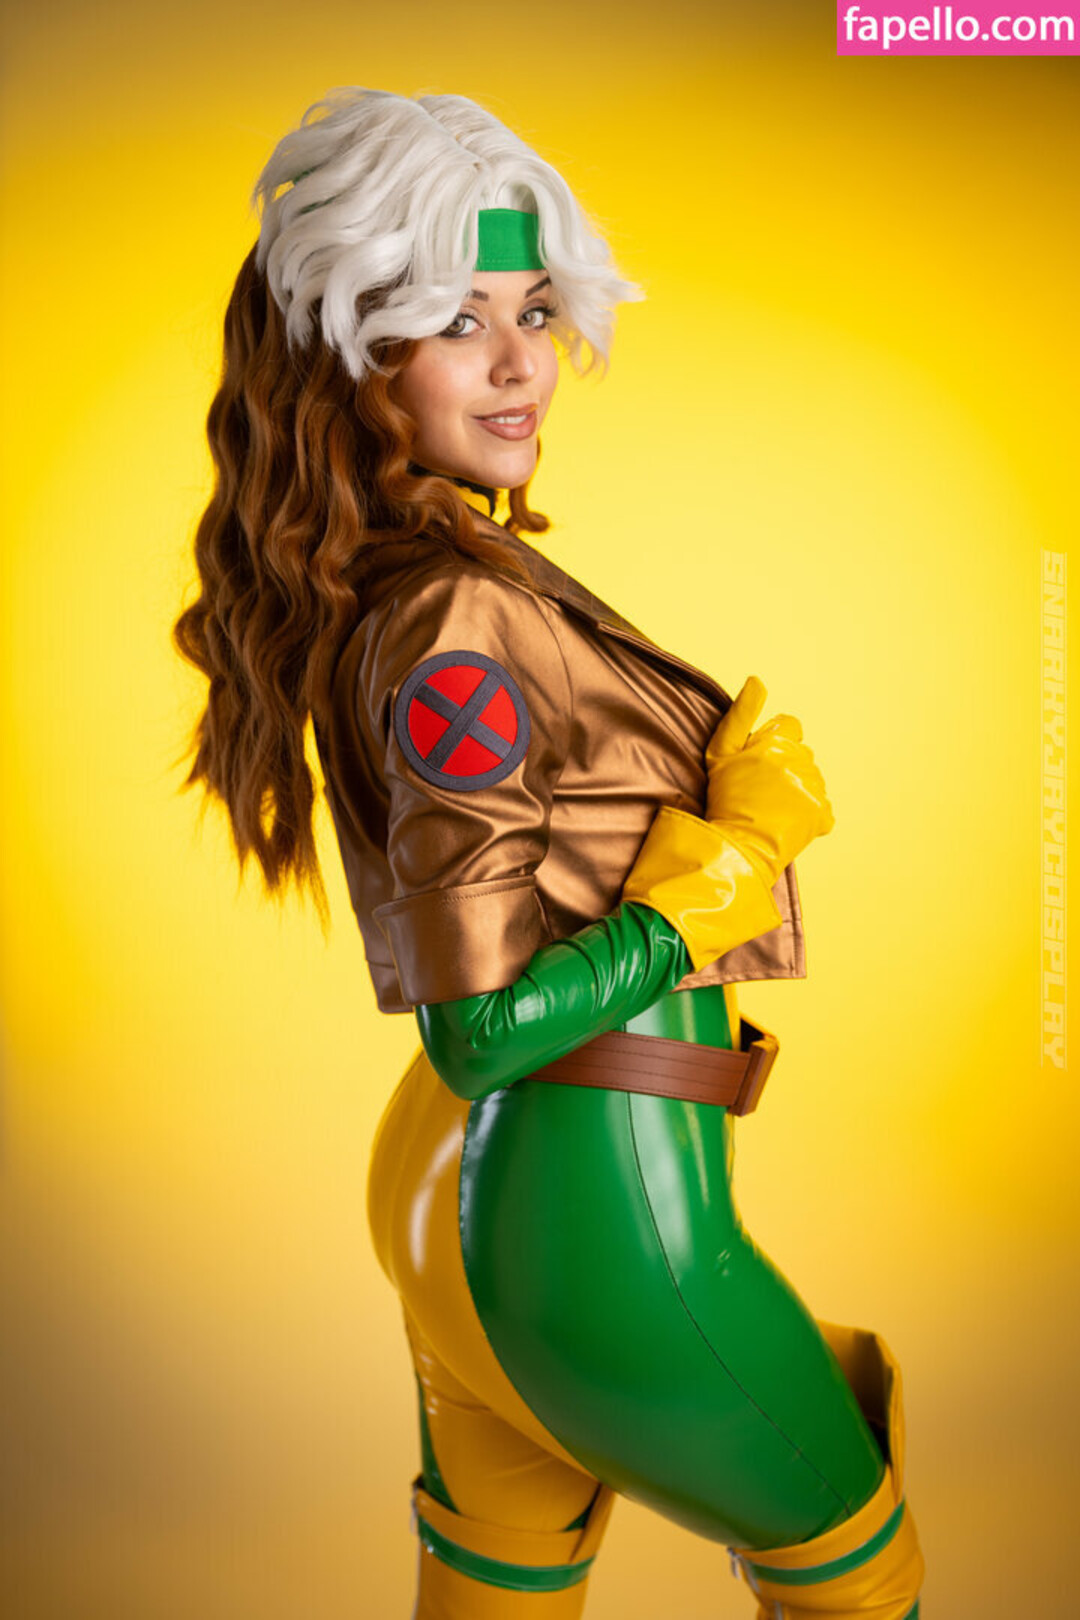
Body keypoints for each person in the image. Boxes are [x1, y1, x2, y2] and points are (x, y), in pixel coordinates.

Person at [175, 85, 923, 1620]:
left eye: (531, 310)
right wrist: (727, 862)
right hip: (599, 1228)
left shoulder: (425, 567)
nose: (522, 364)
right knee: (857, 1572)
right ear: (354, 353)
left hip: (478, 1199)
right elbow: (480, 1027)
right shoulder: (451, 615)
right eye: (459, 322)